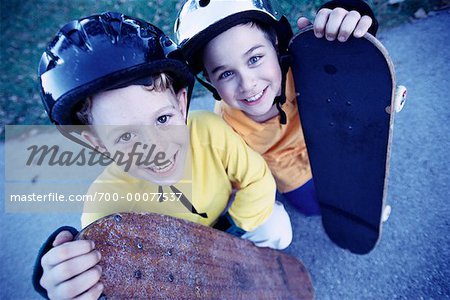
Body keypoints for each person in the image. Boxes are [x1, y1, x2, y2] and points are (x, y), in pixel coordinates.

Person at [33, 12, 291, 299]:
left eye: (163, 119)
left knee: (278, 228)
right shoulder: (105, 204)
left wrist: (234, 238)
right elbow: (107, 275)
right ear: (98, 144)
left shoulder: (208, 130)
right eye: (126, 136)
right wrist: (75, 279)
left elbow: (256, 177)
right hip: (176, 267)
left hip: (230, 224)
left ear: (182, 106)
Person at [174, 0, 378, 216]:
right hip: (288, 172)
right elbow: (237, 170)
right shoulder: (225, 124)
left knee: (356, 184)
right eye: (225, 74)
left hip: (325, 143)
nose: (247, 84)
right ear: (210, 81)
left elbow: (350, 65)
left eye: (254, 59)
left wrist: (349, 22)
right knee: (315, 208)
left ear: (276, 45)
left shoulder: (305, 71)